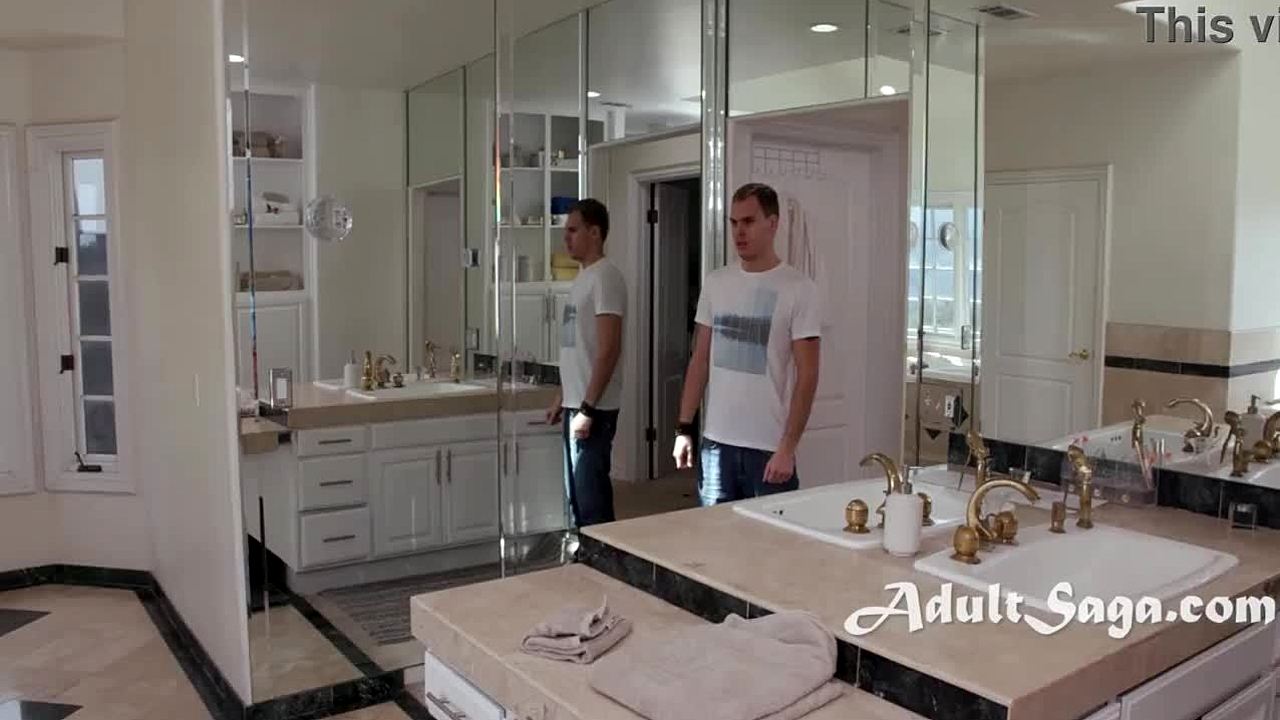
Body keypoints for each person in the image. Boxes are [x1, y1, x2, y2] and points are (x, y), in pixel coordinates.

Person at [672, 183, 821, 506]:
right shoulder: (716, 283)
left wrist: (787, 448)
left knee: (769, 536)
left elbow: (808, 375)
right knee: (714, 535)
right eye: (734, 222)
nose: (739, 232)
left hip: (768, 447)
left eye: (749, 222)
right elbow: (700, 359)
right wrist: (684, 428)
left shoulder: (798, 288)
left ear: (772, 223)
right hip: (716, 444)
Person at [545, 199, 626, 526]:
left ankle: (604, 555)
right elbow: (574, 348)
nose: (566, 238)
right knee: (575, 497)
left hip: (594, 408)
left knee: (591, 499)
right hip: (575, 404)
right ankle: (582, 553)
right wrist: (562, 397)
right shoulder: (581, 279)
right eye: (566, 231)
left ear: (595, 233)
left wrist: (588, 409)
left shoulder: (606, 277)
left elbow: (609, 349)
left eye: (573, 230)